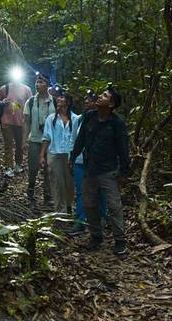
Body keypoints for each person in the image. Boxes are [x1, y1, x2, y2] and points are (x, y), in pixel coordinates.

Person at [70, 85, 130, 255]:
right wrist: (72, 158)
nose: (99, 97)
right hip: (90, 169)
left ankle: (120, 240)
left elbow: (123, 148)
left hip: (108, 171)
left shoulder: (117, 123)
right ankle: (96, 235)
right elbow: (81, 140)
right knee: (89, 204)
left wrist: (124, 172)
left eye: (104, 96)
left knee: (114, 205)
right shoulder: (89, 116)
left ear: (111, 105)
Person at [69, 90, 107, 236]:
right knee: (80, 192)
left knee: (101, 191)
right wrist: (71, 158)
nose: (86, 101)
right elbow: (74, 140)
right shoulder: (79, 119)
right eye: (85, 98)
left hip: (98, 163)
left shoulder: (104, 119)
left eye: (90, 99)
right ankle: (79, 222)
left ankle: (101, 218)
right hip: (80, 161)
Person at [40, 92, 77, 214]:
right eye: (58, 97)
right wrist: (42, 155)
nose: (59, 99)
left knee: (69, 183)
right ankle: (60, 210)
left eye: (62, 97)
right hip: (54, 154)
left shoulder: (75, 119)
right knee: (57, 182)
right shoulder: (51, 119)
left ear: (68, 102)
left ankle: (69, 206)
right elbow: (46, 137)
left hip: (70, 155)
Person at [23, 73, 56, 206]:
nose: (37, 85)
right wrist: (24, 140)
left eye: (41, 82)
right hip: (35, 139)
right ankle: (30, 191)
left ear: (47, 85)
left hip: (51, 141)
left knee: (49, 169)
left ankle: (47, 196)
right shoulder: (30, 101)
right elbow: (26, 122)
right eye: (37, 82)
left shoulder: (55, 101)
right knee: (33, 167)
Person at [0, 74, 32, 178]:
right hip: (6, 121)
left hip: (21, 122)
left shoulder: (26, 89)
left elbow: (31, 104)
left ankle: (18, 164)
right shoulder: (5, 88)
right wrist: (2, 101)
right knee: (8, 145)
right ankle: (8, 167)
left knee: (19, 145)